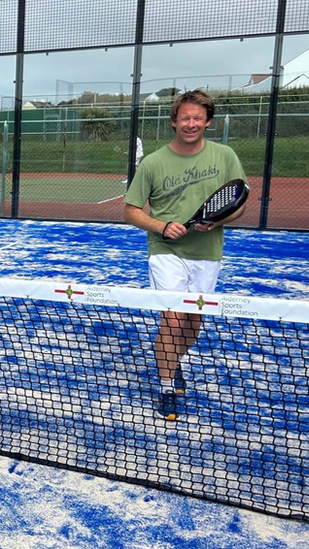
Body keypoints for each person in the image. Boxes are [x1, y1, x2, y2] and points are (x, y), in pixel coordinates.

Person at [123, 90, 247, 422]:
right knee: (173, 317)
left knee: (193, 322)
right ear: (174, 121)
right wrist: (162, 226)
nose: (190, 124)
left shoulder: (225, 156)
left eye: (197, 118)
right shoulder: (153, 163)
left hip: (207, 252)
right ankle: (166, 385)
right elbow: (132, 211)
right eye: (185, 118)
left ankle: (172, 361)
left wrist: (216, 220)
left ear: (207, 121)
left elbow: (239, 202)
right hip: (165, 251)